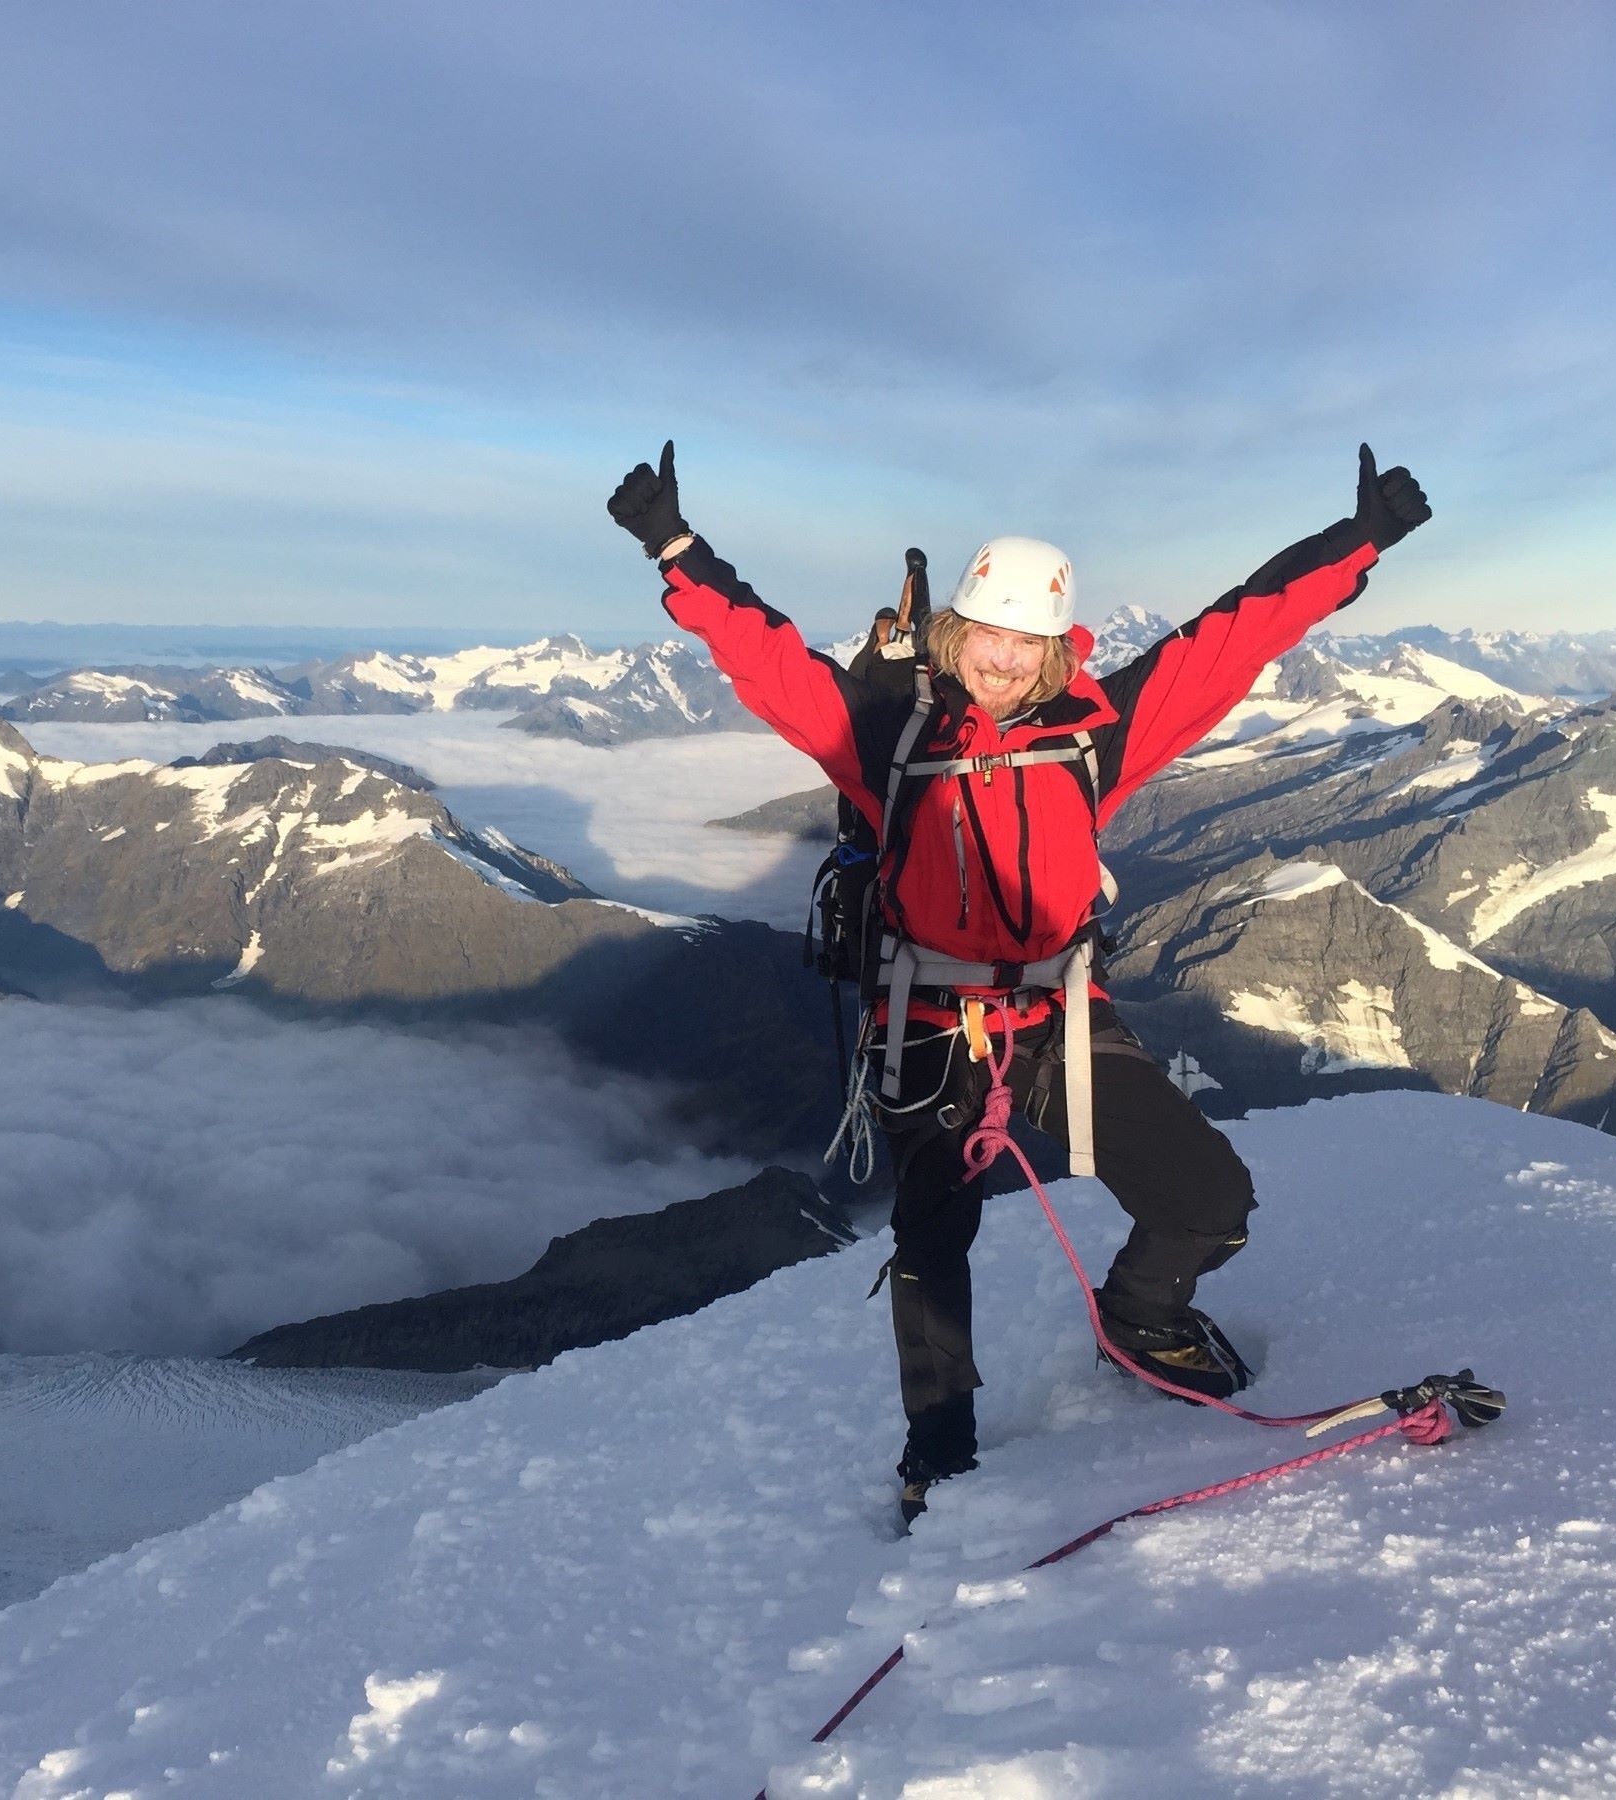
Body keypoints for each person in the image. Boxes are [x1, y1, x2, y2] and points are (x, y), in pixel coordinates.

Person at [608, 441, 1431, 1527]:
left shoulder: (1097, 732)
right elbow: (773, 664)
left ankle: (1139, 1319)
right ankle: (938, 1450)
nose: (1002, 659)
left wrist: (1357, 541)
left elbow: (1233, 636)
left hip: (1052, 1015)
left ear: (1056, 652)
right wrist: (676, 547)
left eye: (1027, 642)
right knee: (933, 1240)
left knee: (1207, 1197)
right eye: (988, 634)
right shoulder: (890, 732)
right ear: (955, 632)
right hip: (926, 1022)